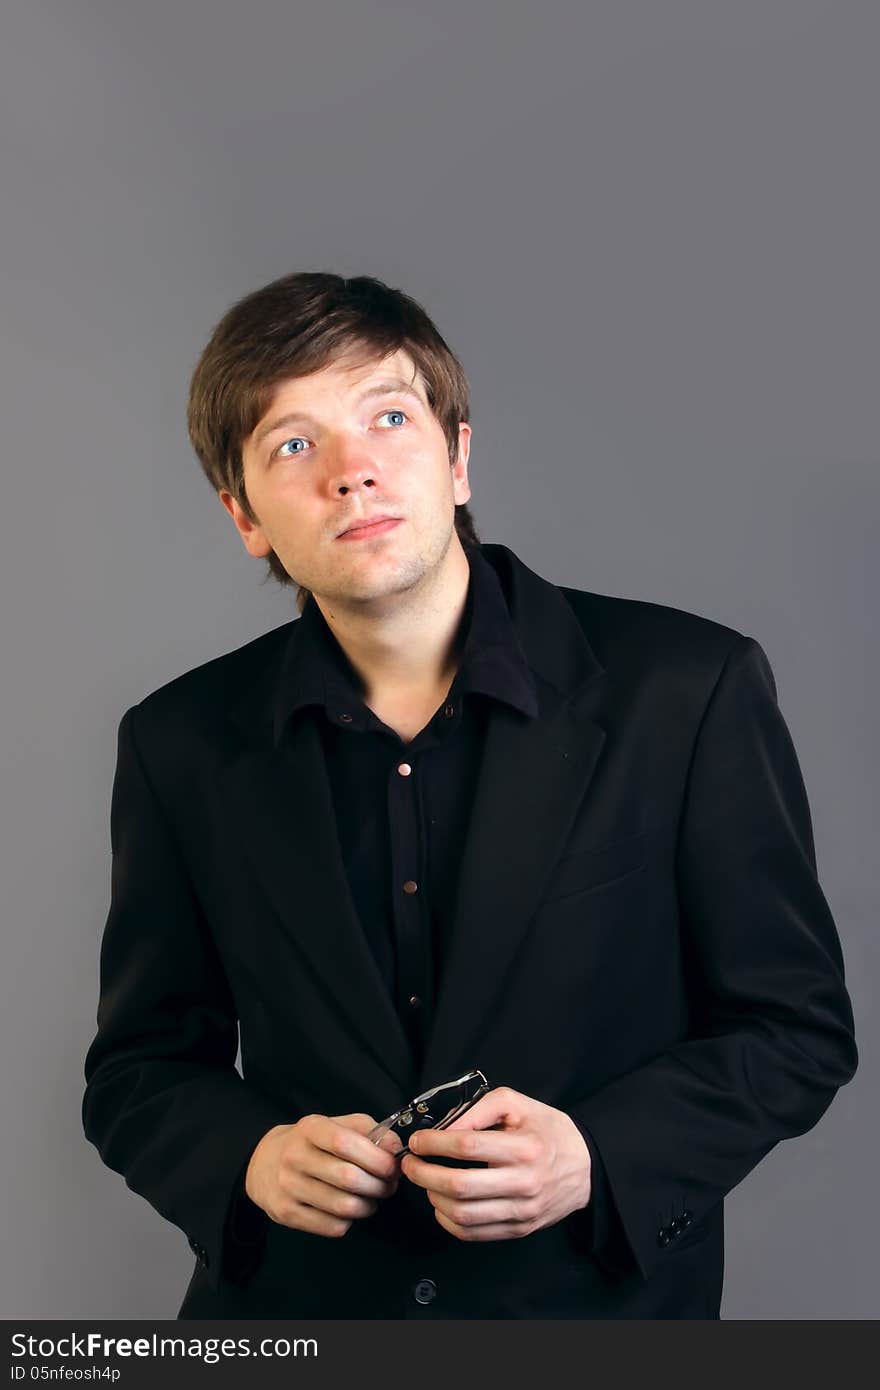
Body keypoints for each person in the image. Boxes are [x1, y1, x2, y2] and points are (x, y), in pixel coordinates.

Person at [81, 272, 858, 1320]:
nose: (351, 473)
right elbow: (139, 1068)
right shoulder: (178, 742)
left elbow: (794, 1028)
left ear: (455, 458)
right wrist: (248, 1157)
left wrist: (595, 1155)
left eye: (388, 418)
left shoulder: (686, 690)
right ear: (244, 516)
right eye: (293, 445)